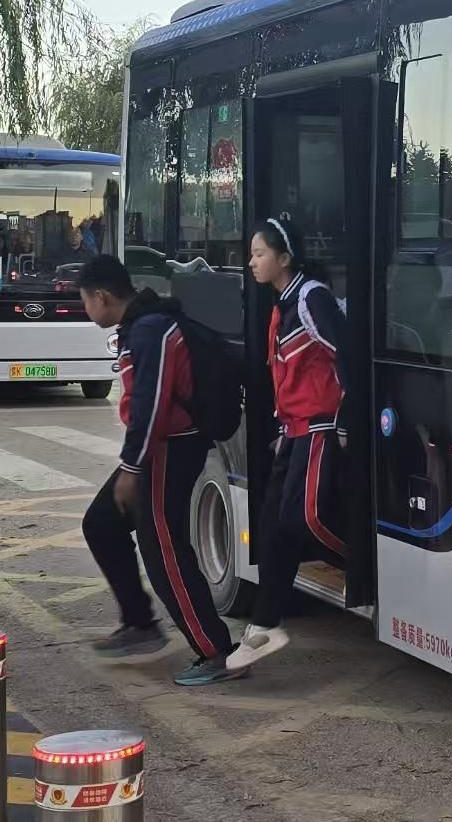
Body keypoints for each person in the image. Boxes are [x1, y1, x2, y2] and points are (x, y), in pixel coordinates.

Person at [76, 255, 244, 685]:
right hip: (159, 448)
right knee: (101, 523)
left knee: (164, 550)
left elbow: (150, 405)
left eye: (85, 301)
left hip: (170, 448)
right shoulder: (142, 324)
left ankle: (216, 652)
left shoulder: (150, 330)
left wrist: (132, 467)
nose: (86, 310)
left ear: (101, 296)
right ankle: (140, 624)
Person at [227, 219, 350, 670]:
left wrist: (347, 419)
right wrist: (281, 430)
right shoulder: (282, 305)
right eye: (252, 254)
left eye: (259, 253)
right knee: (272, 527)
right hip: (294, 429)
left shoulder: (311, 298)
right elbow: (287, 377)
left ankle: (366, 563)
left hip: (320, 425)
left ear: (284, 257)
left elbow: (347, 354)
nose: (251, 262)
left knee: (305, 518)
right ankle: (264, 626)